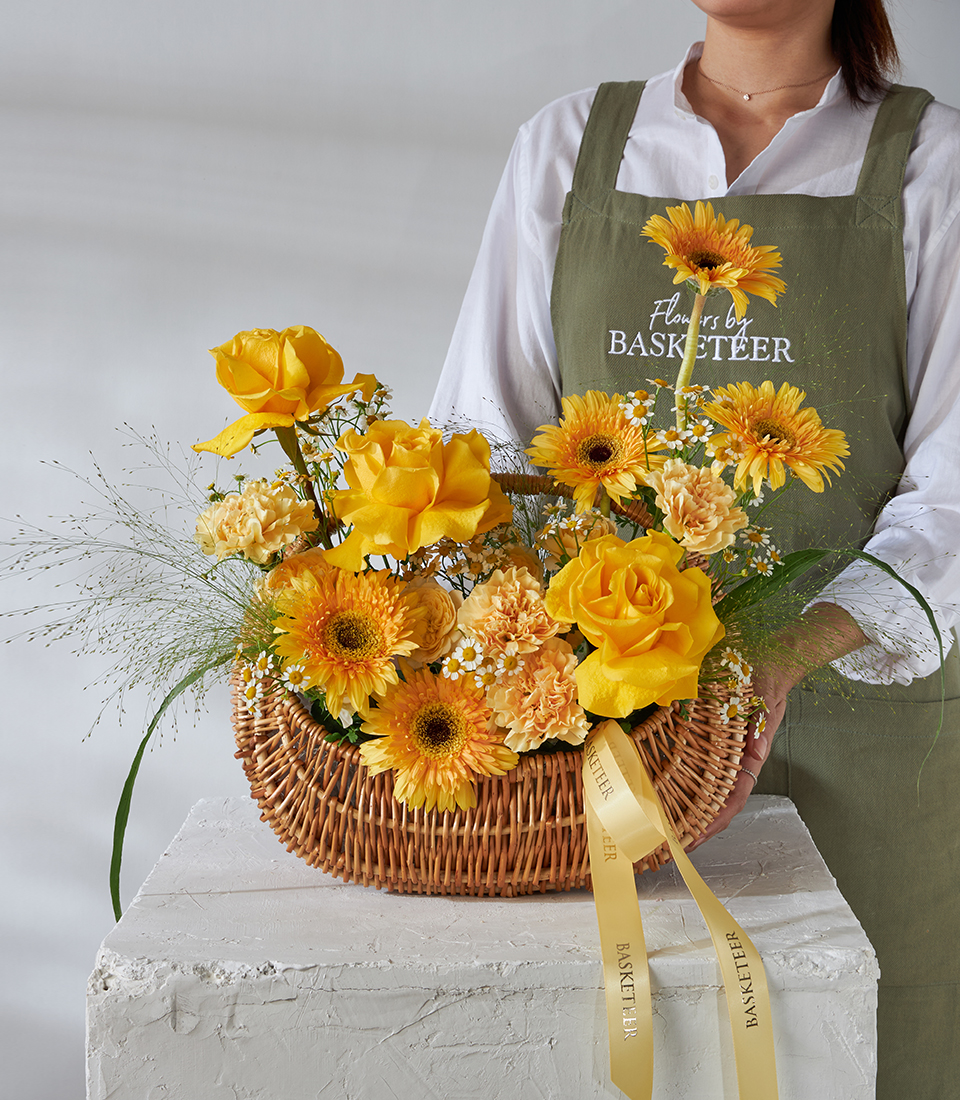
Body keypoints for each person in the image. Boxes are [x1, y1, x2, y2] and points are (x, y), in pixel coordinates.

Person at [429, 1, 960, 1095]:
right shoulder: (570, 145)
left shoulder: (934, 167)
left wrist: (783, 653)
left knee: (875, 1046)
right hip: (605, 751)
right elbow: (479, 449)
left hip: (867, 741)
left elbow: (955, 491)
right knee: (619, 1050)